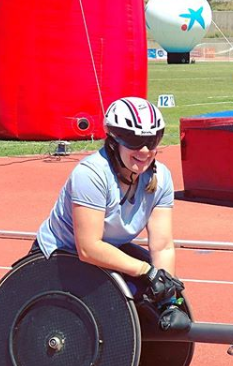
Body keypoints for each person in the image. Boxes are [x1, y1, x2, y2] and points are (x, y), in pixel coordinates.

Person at [34, 96, 189, 331]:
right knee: (132, 288)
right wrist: (147, 272)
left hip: (108, 249)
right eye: (134, 141)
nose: (145, 150)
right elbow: (88, 248)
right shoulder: (91, 175)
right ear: (114, 140)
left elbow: (162, 246)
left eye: (152, 140)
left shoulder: (161, 178)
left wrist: (168, 298)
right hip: (61, 255)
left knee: (148, 292)